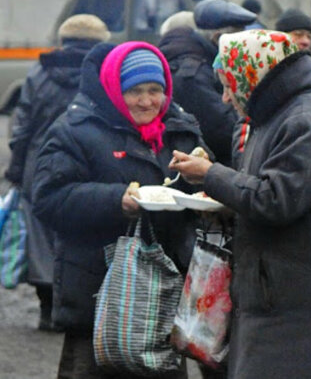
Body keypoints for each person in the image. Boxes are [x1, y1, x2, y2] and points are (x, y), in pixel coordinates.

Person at [169, 29, 311, 379]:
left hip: (305, 303)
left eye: (230, 85)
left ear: (254, 76)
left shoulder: (307, 121)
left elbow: (275, 200)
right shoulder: (277, 113)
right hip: (280, 293)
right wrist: (214, 184)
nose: (227, 98)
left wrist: (212, 175)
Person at [32, 41, 207, 378]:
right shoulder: (76, 130)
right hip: (99, 297)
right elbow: (48, 197)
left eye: (155, 90)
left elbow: (198, 185)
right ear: (114, 88)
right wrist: (117, 201)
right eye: (135, 91)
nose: (147, 101)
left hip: (165, 296)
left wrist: (205, 175)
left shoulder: (181, 128)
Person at [4, 14, 110, 332]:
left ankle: (46, 308)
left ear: (63, 40)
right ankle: (80, 308)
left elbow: (22, 127)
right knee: (81, 239)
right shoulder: (103, 74)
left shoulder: (40, 72)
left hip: (40, 167)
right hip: (89, 168)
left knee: (40, 242)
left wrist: (17, 168)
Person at [158, 0, 256, 168]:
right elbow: (225, 130)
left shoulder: (204, 61)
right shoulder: (193, 77)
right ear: (218, 39)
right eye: (238, 42)